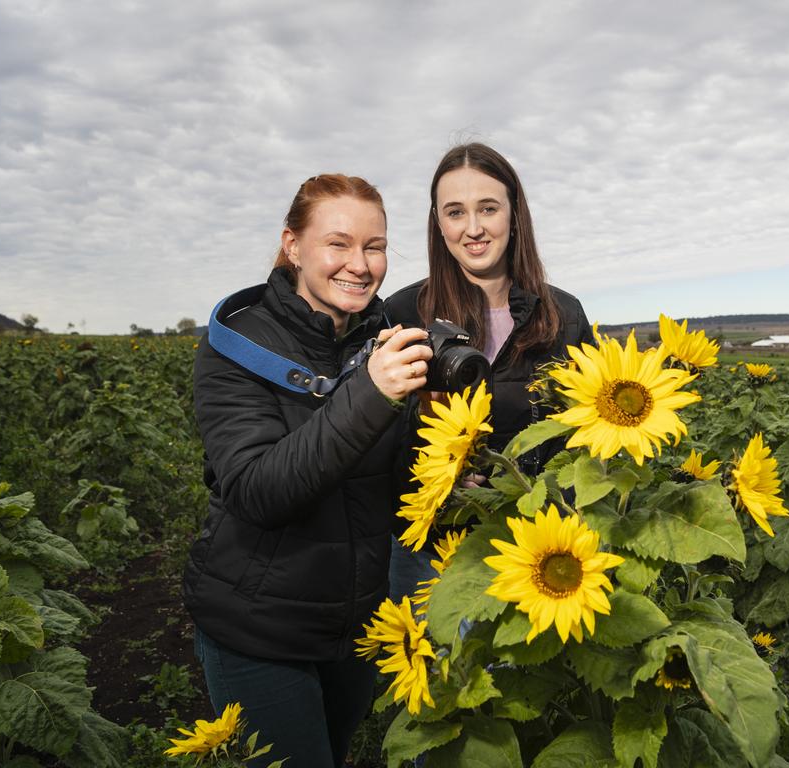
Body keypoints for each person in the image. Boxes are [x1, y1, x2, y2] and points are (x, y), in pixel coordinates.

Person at [183, 174, 433, 768]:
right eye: (338, 244)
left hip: (354, 628)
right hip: (260, 630)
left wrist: (449, 478)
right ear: (293, 245)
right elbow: (258, 490)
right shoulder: (237, 345)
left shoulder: (378, 338)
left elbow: (385, 484)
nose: (361, 264)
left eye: (375, 247)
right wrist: (370, 395)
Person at [384, 143, 594, 601]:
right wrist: (437, 474)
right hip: (432, 553)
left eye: (488, 208)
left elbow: (589, 440)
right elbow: (375, 437)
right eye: (455, 212)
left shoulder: (564, 315)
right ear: (438, 225)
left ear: (514, 215)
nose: (473, 228)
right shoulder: (403, 313)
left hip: (538, 555)